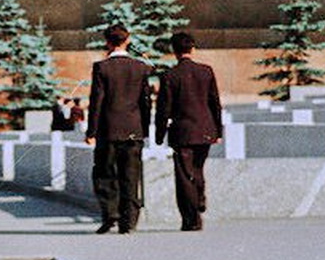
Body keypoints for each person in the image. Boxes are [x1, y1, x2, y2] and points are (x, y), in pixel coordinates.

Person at [155, 30, 224, 231]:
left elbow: (163, 108)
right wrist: (218, 131)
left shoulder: (170, 75)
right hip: (205, 130)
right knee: (198, 168)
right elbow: (215, 103)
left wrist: (159, 135)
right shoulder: (206, 71)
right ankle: (200, 196)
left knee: (185, 174)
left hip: (182, 132)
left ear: (174, 51)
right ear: (192, 49)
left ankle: (191, 219)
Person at [87, 22, 152, 234]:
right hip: (134, 130)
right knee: (131, 176)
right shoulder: (141, 67)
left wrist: (91, 132)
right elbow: (145, 102)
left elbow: (97, 101)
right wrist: (145, 129)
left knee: (104, 173)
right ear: (128, 40)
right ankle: (129, 222)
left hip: (108, 130)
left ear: (107, 42)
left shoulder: (101, 67)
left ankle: (110, 214)